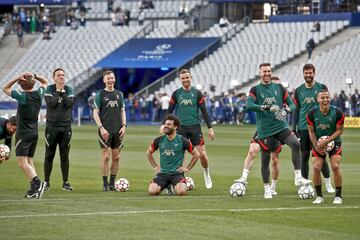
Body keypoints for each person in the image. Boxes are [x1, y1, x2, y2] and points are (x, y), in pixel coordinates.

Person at [246, 63, 311, 199]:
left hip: (280, 126)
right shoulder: (255, 89)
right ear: (260, 73)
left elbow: (293, 104)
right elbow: (249, 105)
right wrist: (265, 107)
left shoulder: (279, 87)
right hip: (265, 130)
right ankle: (267, 189)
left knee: (295, 144)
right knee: (265, 160)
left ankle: (298, 176)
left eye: (269, 71)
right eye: (264, 71)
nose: (267, 73)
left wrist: (286, 110)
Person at [164, 69, 215, 189]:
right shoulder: (176, 93)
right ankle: (177, 180)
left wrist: (210, 128)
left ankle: (206, 174)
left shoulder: (197, 93)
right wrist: (164, 124)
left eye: (187, 78)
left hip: (195, 128)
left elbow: (204, 111)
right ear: (180, 80)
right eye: (183, 78)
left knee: (202, 154)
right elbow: (169, 111)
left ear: (190, 78)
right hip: (181, 128)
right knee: (178, 156)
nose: (185, 80)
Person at [235, 76, 284, 195]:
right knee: (252, 150)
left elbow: (285, 113)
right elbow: (251, 103)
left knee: (274, 160)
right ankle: (244, 178)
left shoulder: (282, 96)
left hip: (277, 129)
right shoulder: (263, 92)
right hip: (262, 129)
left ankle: (273, 186)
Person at [2, 72, 48, 198]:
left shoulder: (22, 96)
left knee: (22, 162)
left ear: (21, 85)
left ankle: (38, 183)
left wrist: (17, 77)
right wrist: (35, 75)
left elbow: (5, 88)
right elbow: (44, 82)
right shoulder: (39, 93)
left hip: (23, 133)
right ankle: (34, 190)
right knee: (29, 161)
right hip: (34, 132)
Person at [292, 64, 335, 193]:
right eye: (306, 73)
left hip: (319, 127)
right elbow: (296, 110)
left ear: (314, 73)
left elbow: (328, 106)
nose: (308, 75)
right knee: (304, 155)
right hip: (304, 128)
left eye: (310, 73)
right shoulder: (298, 90)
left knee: (320, 155)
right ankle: (305, 185)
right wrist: (294, 128)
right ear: (303, 74)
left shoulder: (321, 87)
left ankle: (328, 183)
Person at [307, 89, 344, 204]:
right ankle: (319, 197)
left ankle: (338, 196)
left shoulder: (337, 112)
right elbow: (311, 132)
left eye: (327, 97)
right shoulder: (311, 113)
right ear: (317, 99)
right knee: (316, 167)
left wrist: (326, 141)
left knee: (335, 166)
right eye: (322, 98)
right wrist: (317, 146)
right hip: (318, 143)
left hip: (335, 142)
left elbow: (339, 131)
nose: (325, 100)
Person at [147, 114, 200, 196]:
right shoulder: (159, 140)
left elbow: (196, 154)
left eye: (169, 124)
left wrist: (187, 168)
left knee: (181, 192)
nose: (166, 126)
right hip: (162, 174)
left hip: (177, 174)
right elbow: (149, 152)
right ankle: (166, 185)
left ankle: (172, 185)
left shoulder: (182, 140)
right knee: (152, 192)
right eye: (165, 124)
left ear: (175, 127)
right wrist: (155, 166)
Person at [93, 70, 126, 191]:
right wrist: (101, 128)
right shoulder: (100, 95)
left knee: (116, 157)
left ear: (115, 79)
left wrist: (124, 126)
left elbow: (122, 110)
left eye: (112, 78)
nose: (110, 80)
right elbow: (95, 112)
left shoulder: (119, 94)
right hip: (105, 130)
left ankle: (112, 182)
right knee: (106, 156)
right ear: (104, 80)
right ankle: (104, 183)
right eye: (108, 78)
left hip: (118, 130)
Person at [43, 68, 74, 191]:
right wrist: (58, 90)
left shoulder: (69, 89)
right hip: (51, 126)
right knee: (49, 155)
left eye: (63, 75)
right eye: (58, 75)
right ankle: (46, 183)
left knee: (64, 156)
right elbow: (52, 104)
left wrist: (63, 91)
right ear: (54, 77)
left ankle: (65, 183)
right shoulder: (49, 89)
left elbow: (69, 104)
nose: (61, 77)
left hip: (66, 127)